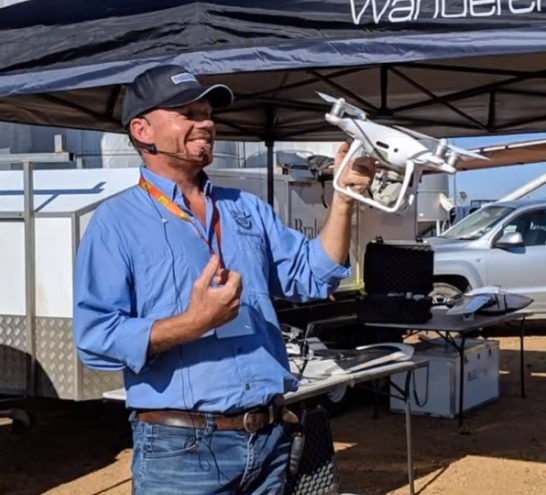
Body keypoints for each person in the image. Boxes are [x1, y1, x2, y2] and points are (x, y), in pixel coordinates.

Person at [73, 64, 375, 495]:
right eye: (189, 113)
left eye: (208, 113)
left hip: (269, 439)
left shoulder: (245, 209)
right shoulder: (115, 223)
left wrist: (344, 198)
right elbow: (95, 338)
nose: (207, 123)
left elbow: (313, 275)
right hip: (180, 451)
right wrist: (193, 323)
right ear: (143, 130)